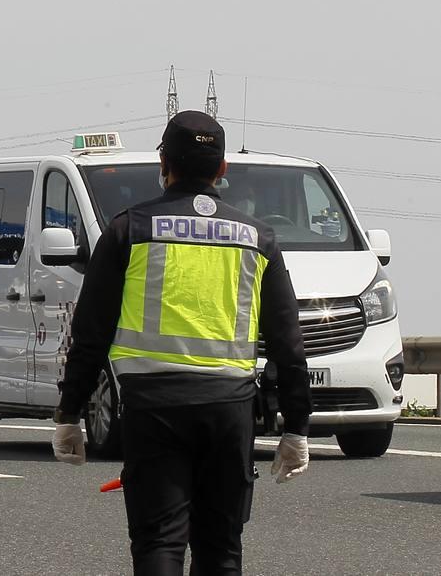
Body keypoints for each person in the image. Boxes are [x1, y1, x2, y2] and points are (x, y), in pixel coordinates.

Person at [53, 111, 312, 575]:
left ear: (163, 162)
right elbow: (288, 341)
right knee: (221, 549)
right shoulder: (258, 240)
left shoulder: (128, 230)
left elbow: (90, 332)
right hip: (230, 409)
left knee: (159, 544)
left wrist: (70, 413)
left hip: (153, 408)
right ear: (222, 170)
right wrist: (297, 427)